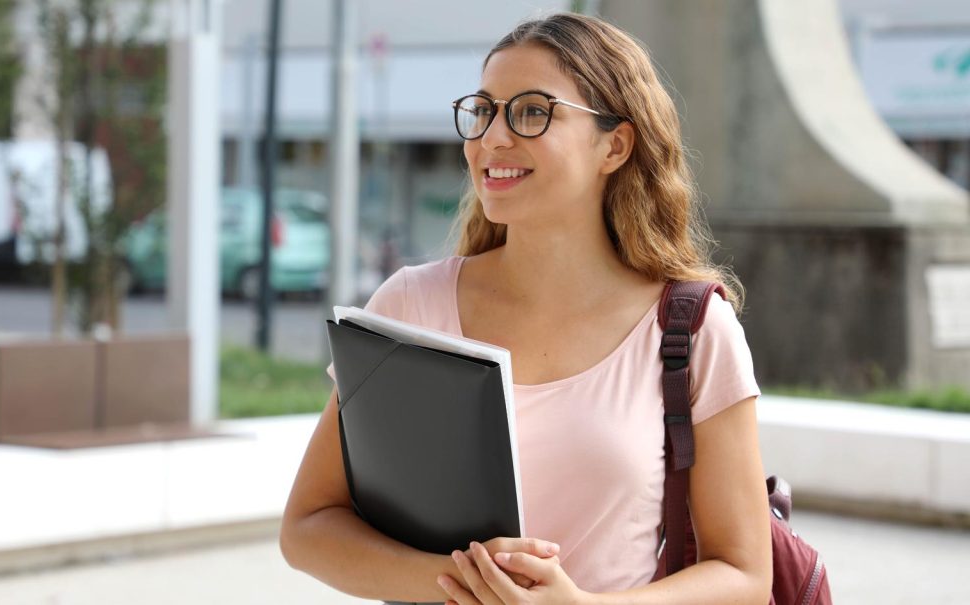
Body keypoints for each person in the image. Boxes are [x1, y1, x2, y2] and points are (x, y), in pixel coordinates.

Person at [281, 12, 772, 605]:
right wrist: (466, 584)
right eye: (484, 110)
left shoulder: (693, 330)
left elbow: (745, 575)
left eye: (532, 111)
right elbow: (309, 525)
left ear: (613, 145)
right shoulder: (410, 304)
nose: (492, 138)